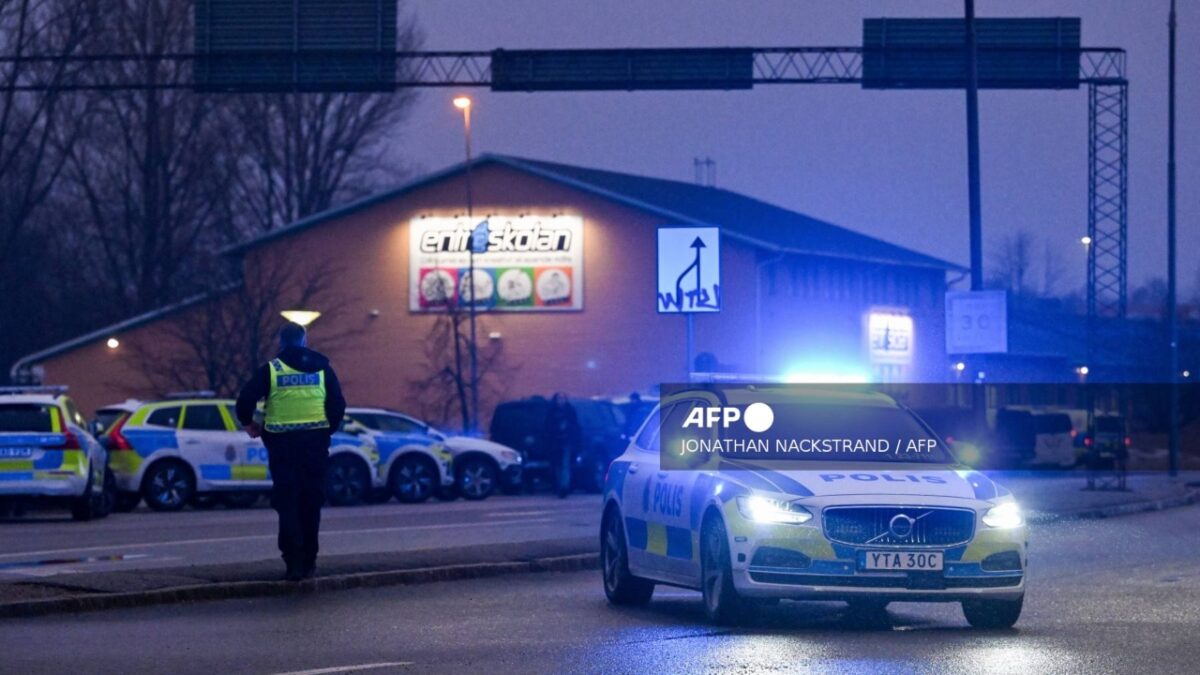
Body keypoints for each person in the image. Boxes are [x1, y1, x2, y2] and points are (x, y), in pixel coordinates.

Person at [236, 322, 345, 581]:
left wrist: (249, 423)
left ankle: (293, 563)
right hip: (315, 446)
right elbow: (338, 404)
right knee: (312, 502)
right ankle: (310, 560)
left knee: (288, 503)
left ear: (280, 342)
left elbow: (245, 399)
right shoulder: (323, 369)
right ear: (304, 341)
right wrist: (324, 431)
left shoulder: (271, 370)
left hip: (282, 447)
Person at [544, 393, 580, 499]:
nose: (561, 400)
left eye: (563, 398)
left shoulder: (570, 411)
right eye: (559, 398)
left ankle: (564, 487)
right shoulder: (551, 412)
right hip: (555, 443)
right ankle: (559, 485)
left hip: (566, 442)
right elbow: (548, 428)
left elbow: (575, 427)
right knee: (557, 466)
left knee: (565, 465)